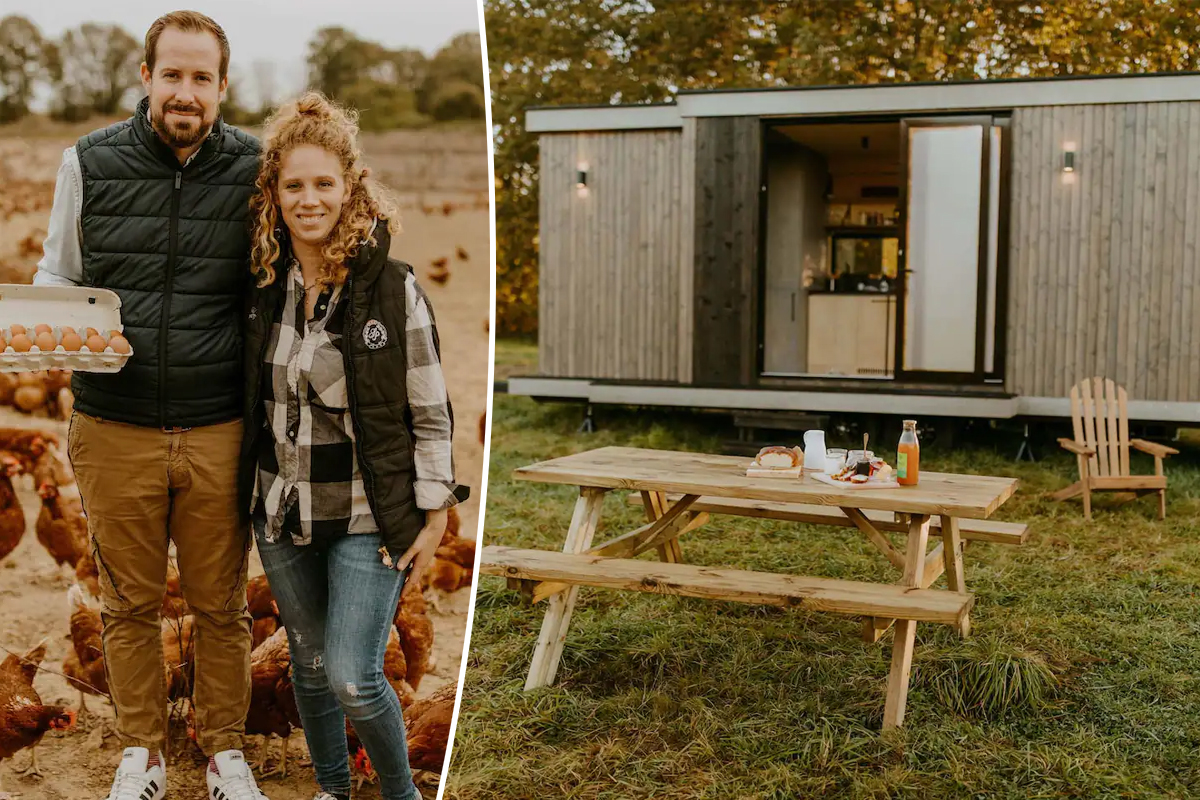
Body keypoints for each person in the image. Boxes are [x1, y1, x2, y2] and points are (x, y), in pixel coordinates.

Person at [35, 10, 268, 800]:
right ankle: (143, 755)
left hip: (219, 426)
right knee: (127, 604)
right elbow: (57, 273)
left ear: (222, 87)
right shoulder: (88, 162)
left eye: (202, 77)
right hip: (113, 422)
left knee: (222, 606)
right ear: (145, 78)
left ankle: (224, 754)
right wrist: (61, 329)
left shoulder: (256, 169)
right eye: (172, 74)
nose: (186, 91)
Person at [238, 92, 467, 800]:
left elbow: (430, 411)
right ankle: (333, 788)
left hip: (368, 513)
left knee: (354, 672)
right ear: (275, 193)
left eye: (323, 184)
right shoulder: (263, 286)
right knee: (305, 662)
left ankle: (400, 795)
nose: (309, 200)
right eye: (294, 185)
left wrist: (434, 509)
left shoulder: (390, 291)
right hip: (281, 512)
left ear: (350, 187)